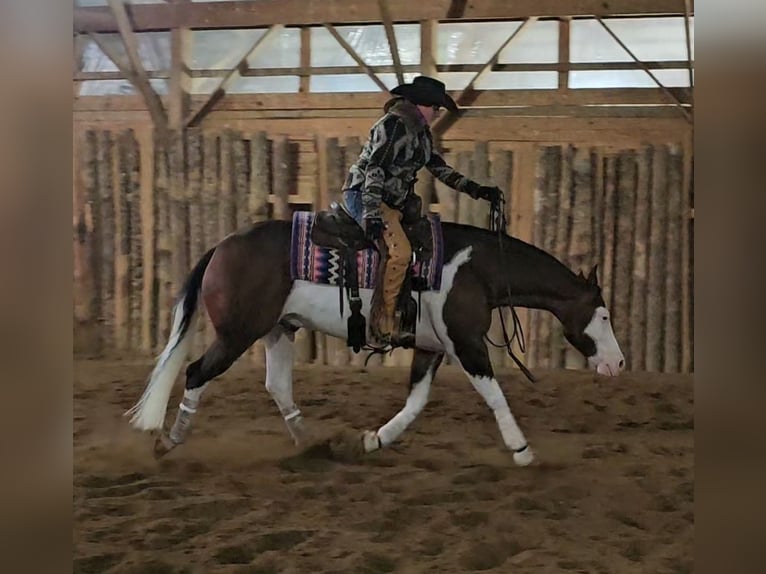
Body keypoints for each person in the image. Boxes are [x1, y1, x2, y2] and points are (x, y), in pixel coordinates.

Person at [340, 75, 502, 346]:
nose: (438, 112)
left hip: (392, 201)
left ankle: (411, 313)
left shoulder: (421, 133)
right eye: (436, 107)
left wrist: (476, 190)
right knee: (400, 252)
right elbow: (375, 168)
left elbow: (438, 168)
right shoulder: (393, 126)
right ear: (422, 104)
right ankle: (382, 324)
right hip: (366, 195)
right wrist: (370, 212)